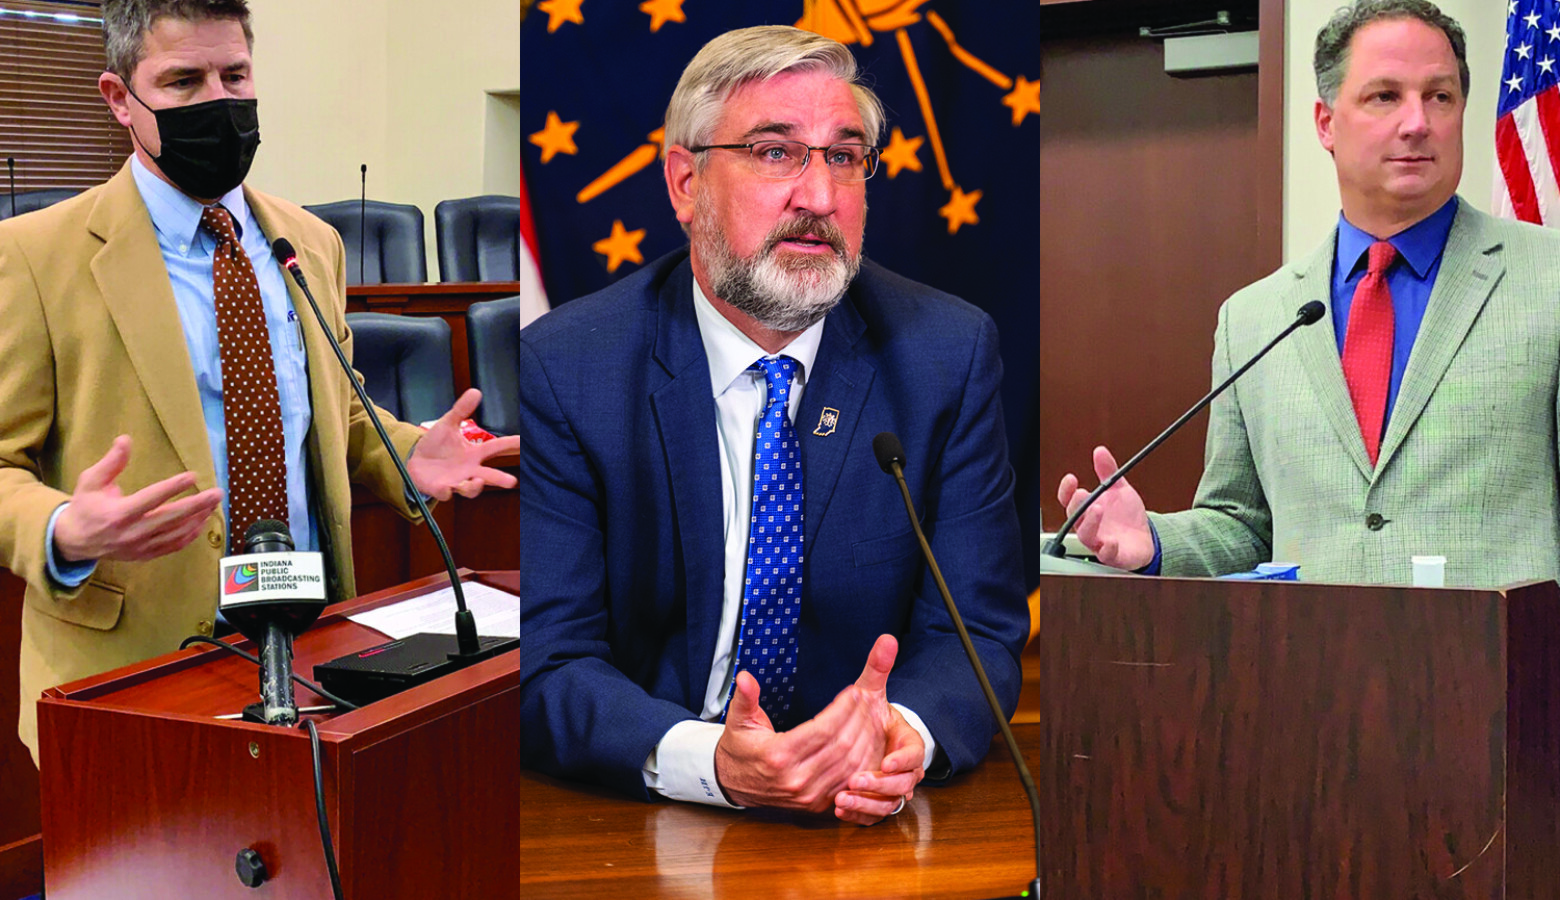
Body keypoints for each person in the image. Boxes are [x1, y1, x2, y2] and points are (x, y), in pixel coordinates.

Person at [519, 26, 1028, 826]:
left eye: (845, 156)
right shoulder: (570, 365)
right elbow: (547, 660)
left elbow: (979, 635)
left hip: (872, 816)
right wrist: (709, 758)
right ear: (686, 183)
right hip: (643, 814)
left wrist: (902, 736)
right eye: (775, 153)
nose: (819, 198)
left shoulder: (947, 355)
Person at [0, 0, 518, 765]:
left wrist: (405, 451)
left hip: (313, 643)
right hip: (131, 669)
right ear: (120, 99)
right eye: (182, 81)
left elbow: (329, 415)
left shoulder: (307, 241)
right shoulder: (34, 256)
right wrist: (59, 529)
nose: (219, 101)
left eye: (234, 74)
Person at [1057, 0, 1560, 587]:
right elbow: (1242, 527)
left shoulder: (1545, 278)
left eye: (1440, 96)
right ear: (1325, 122)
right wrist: (1154, 541)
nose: (1418, 121)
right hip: (1308, 669)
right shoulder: (1254, 317)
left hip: (1504, 671)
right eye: (1385, 96)